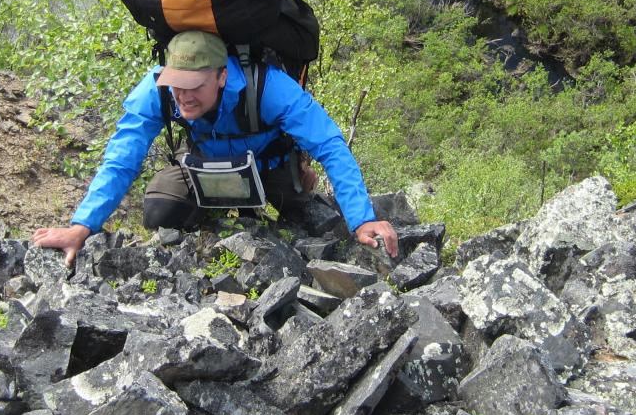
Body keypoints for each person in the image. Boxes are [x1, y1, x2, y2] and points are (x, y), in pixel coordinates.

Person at [34, 30, 399, 267]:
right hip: (202, 168)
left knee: (303, 214)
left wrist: (362, 218)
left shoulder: (269, 88)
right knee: (160, 209)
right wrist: (82, 226)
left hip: (268, 167)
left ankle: (293, 191)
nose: (183, 96)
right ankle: (212, 227)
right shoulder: (157, 90)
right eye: (177, 84)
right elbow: (121, 158)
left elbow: (330, 144)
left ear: (222, 75)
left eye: (195, 85)